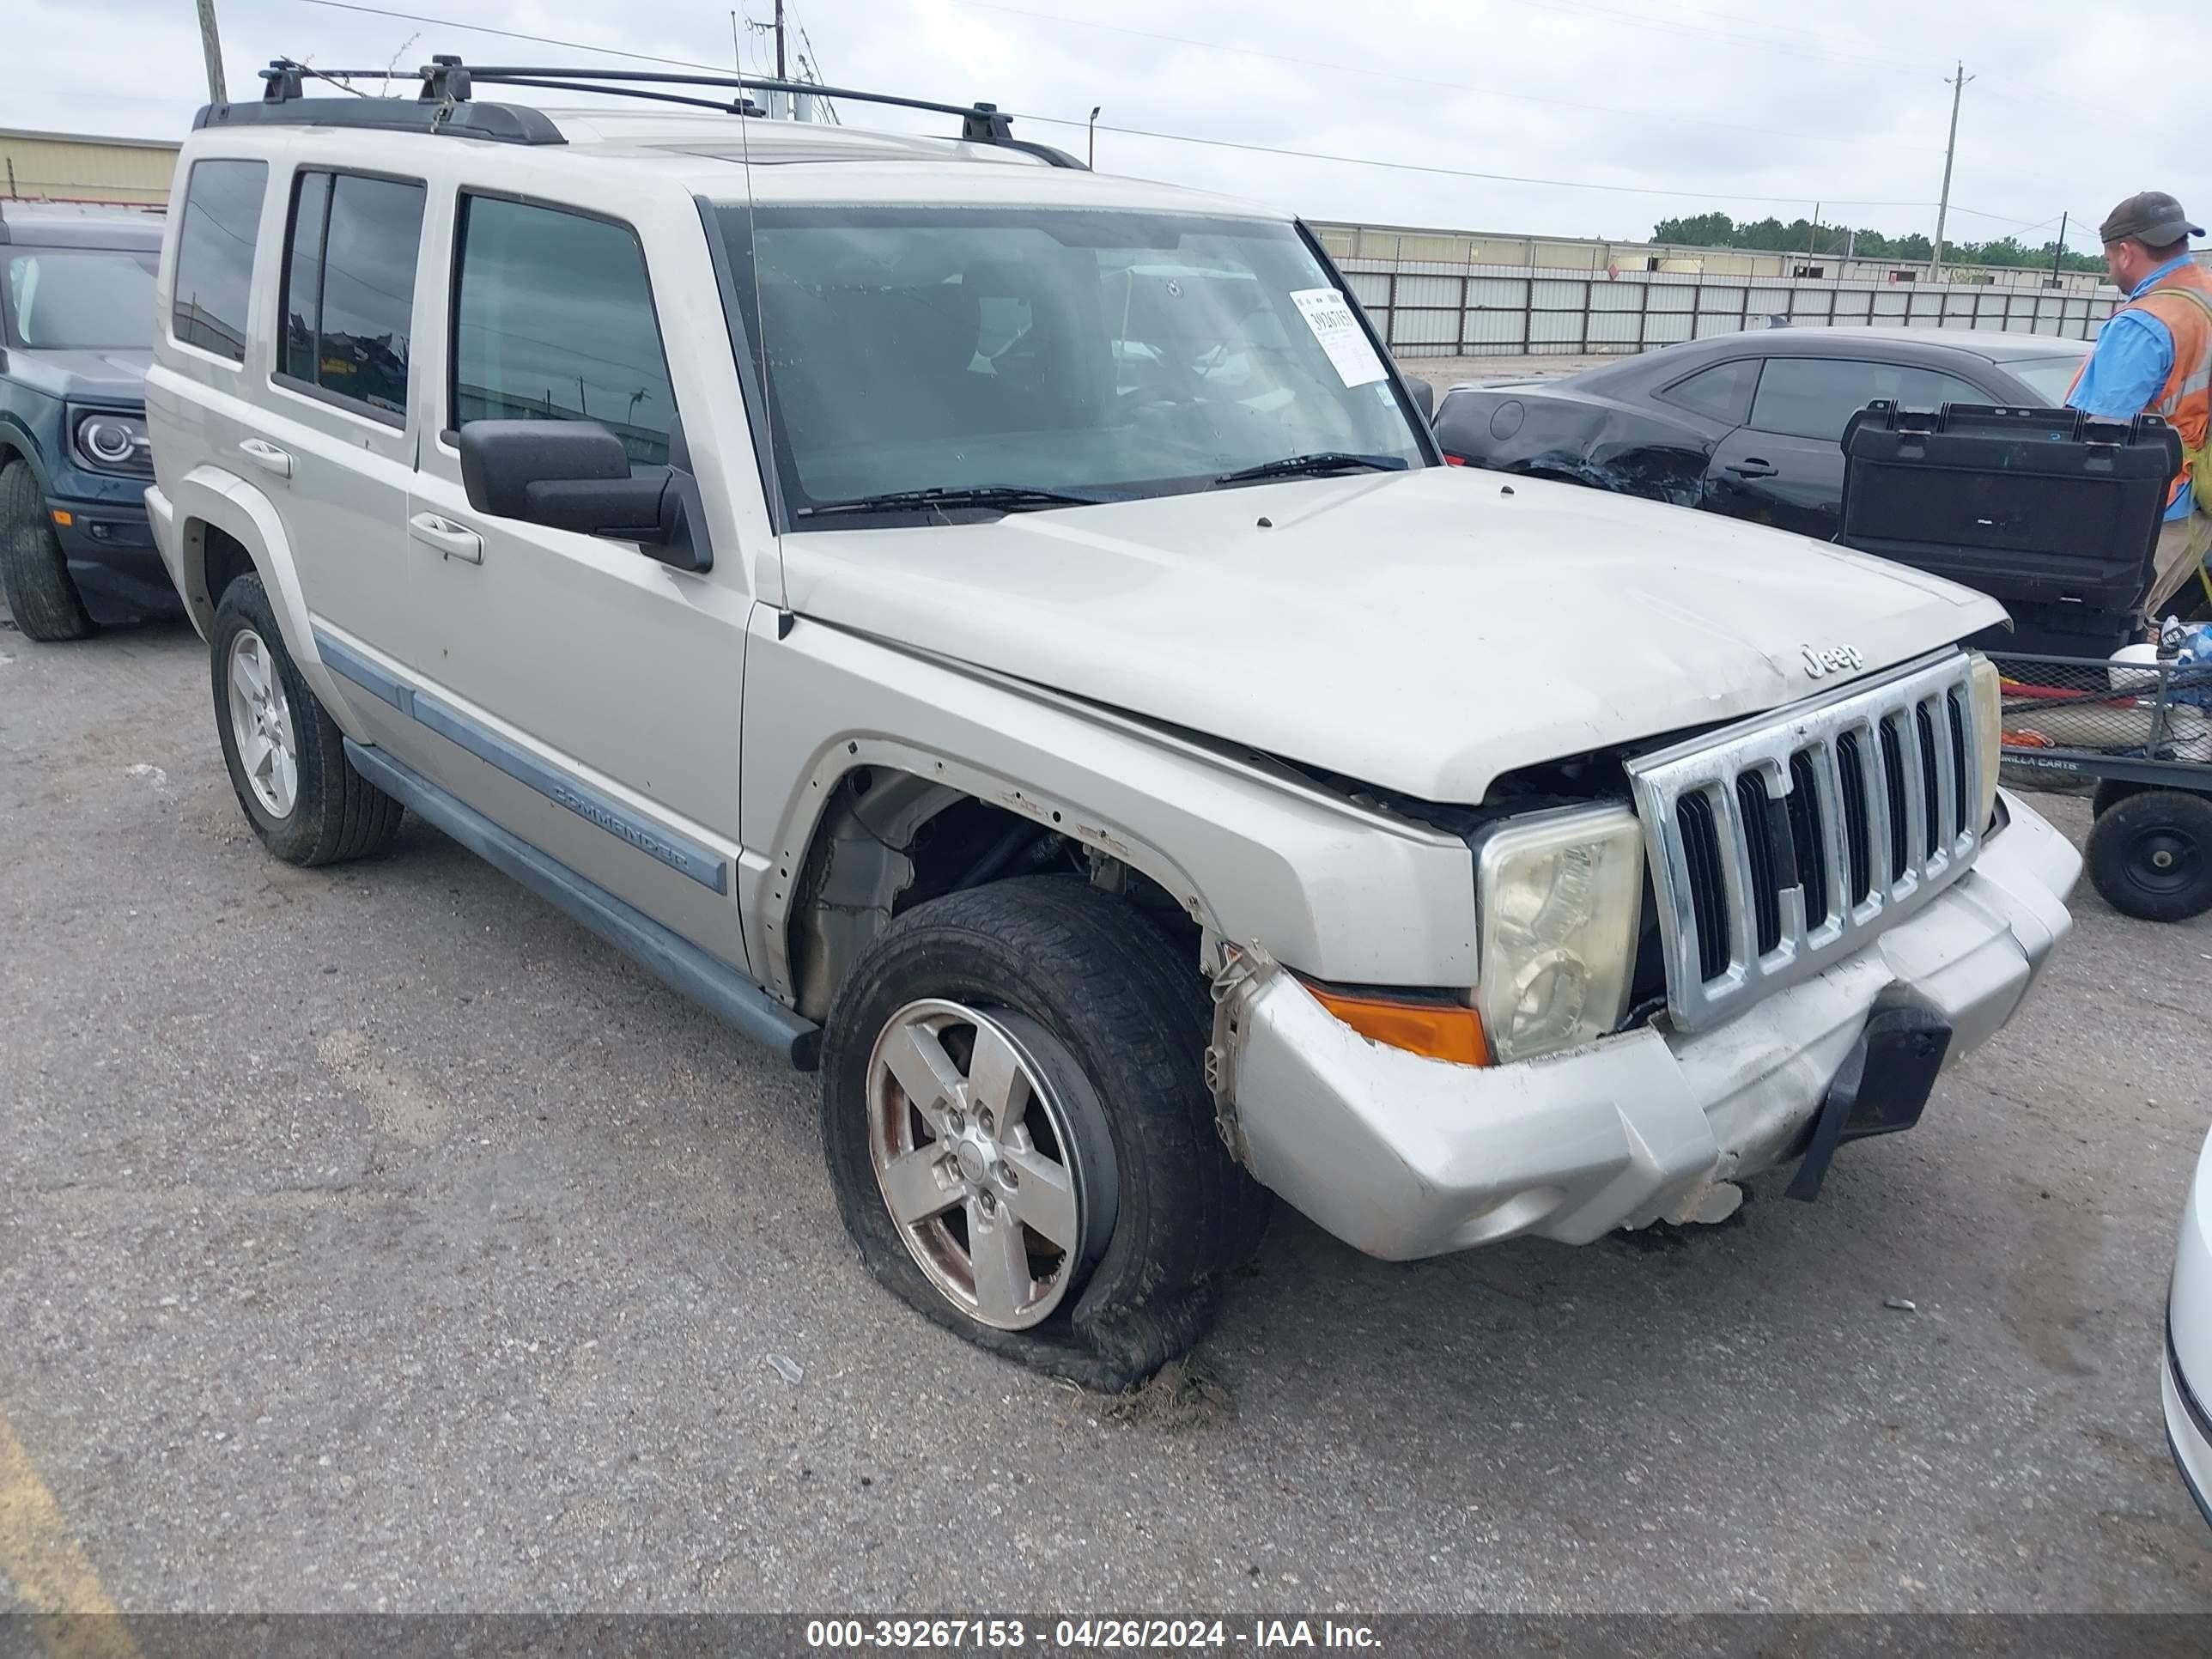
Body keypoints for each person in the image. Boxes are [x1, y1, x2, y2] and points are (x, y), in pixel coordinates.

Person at [2066, 191, 2212, 617]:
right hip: (2198, 502)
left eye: (2110, 259)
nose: (2112, 269)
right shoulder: (2205, 295)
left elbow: (2100, 438)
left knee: (2106, 639)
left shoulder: (2145, 323)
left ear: (2126, 252)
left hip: (2152, 510)